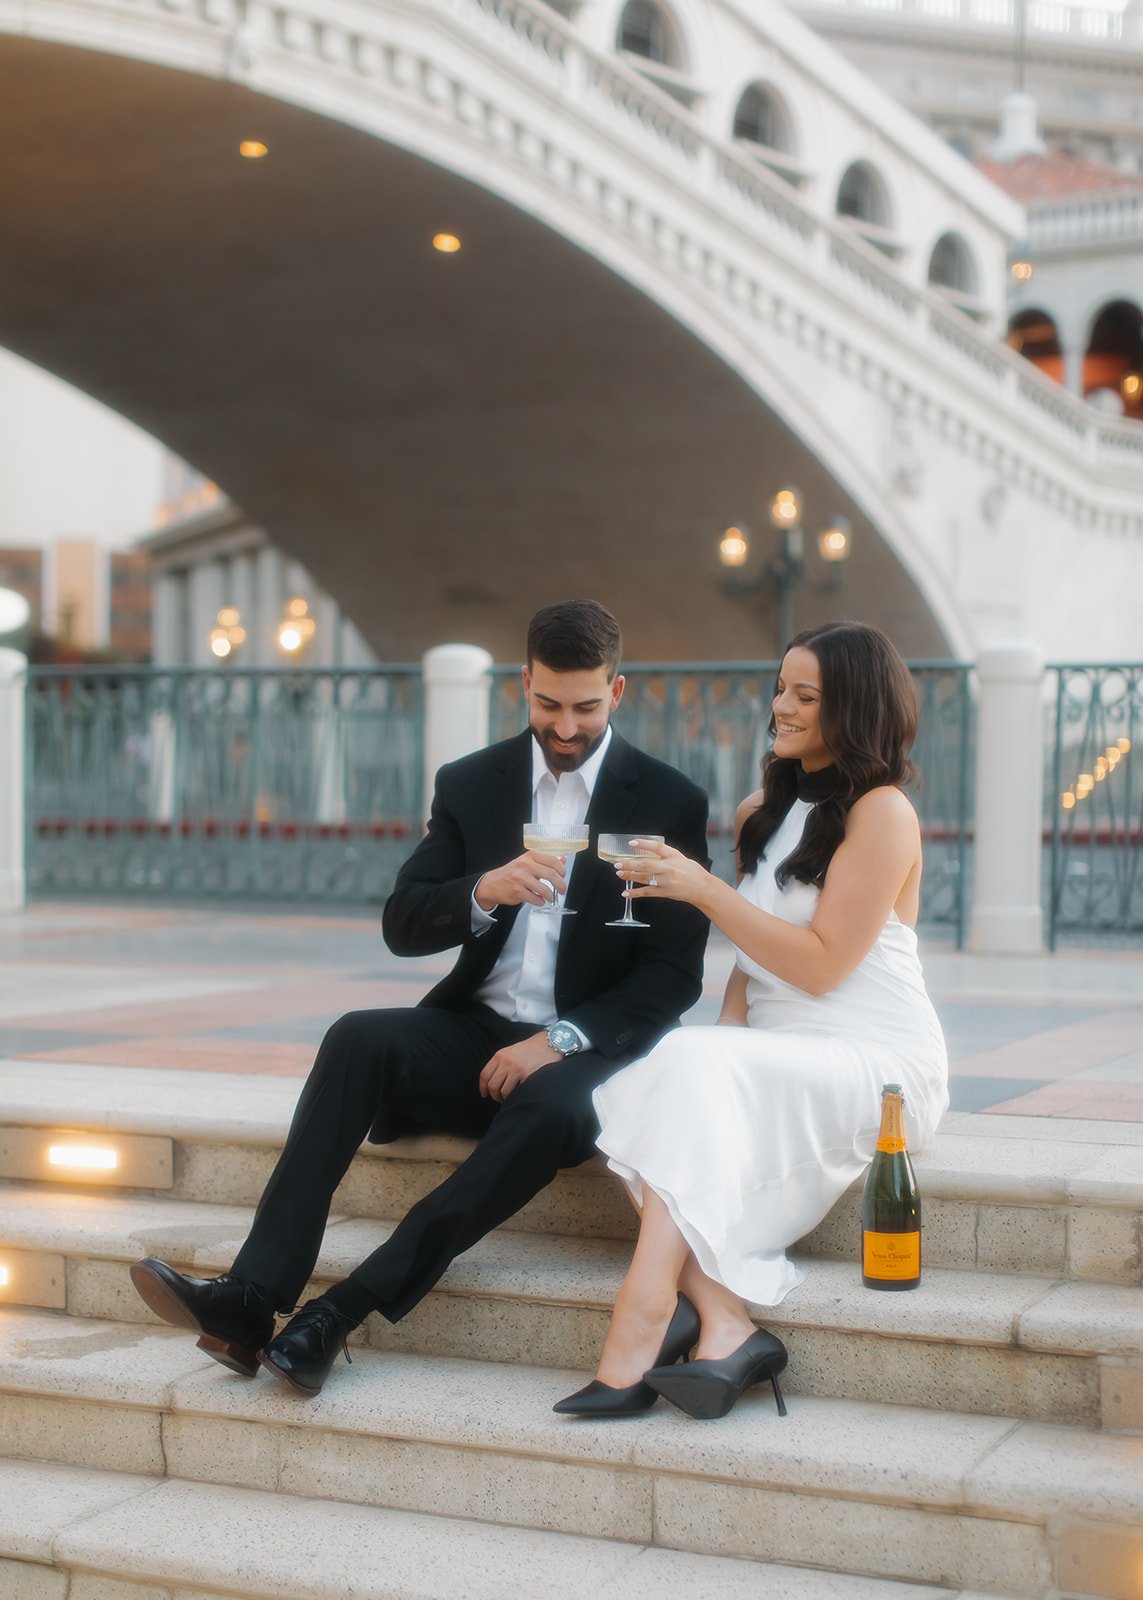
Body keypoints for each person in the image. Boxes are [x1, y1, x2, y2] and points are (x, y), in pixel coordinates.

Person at [131, 599, 710, 1396]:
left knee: (547, 1106)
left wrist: (562, 1040)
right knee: (356, 1036)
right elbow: (403, 923)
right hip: (476, 1033)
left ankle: (336, 1314)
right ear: (522, 686)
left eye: (583, 707)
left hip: (588, 1061)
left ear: (618, 693)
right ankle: (250, 1299)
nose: (565, 727)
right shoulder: (473, 783)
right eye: (547, 705)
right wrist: (484, 889)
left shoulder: (670, 802)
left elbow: (674, 977)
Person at [554, 621, 949, 1421]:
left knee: (685, 1070)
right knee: (672, 1073)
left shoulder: (882, 813)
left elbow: (819, 963)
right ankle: (727, 1323)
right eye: (780, 688)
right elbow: (752, 957)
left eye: (806, 695)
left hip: (874, 1064)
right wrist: (717, 1051)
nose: (781, 707)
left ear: (857, 708)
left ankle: (643, 1318)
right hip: (778, 1053)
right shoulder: (757, 811)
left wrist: (702, 889)